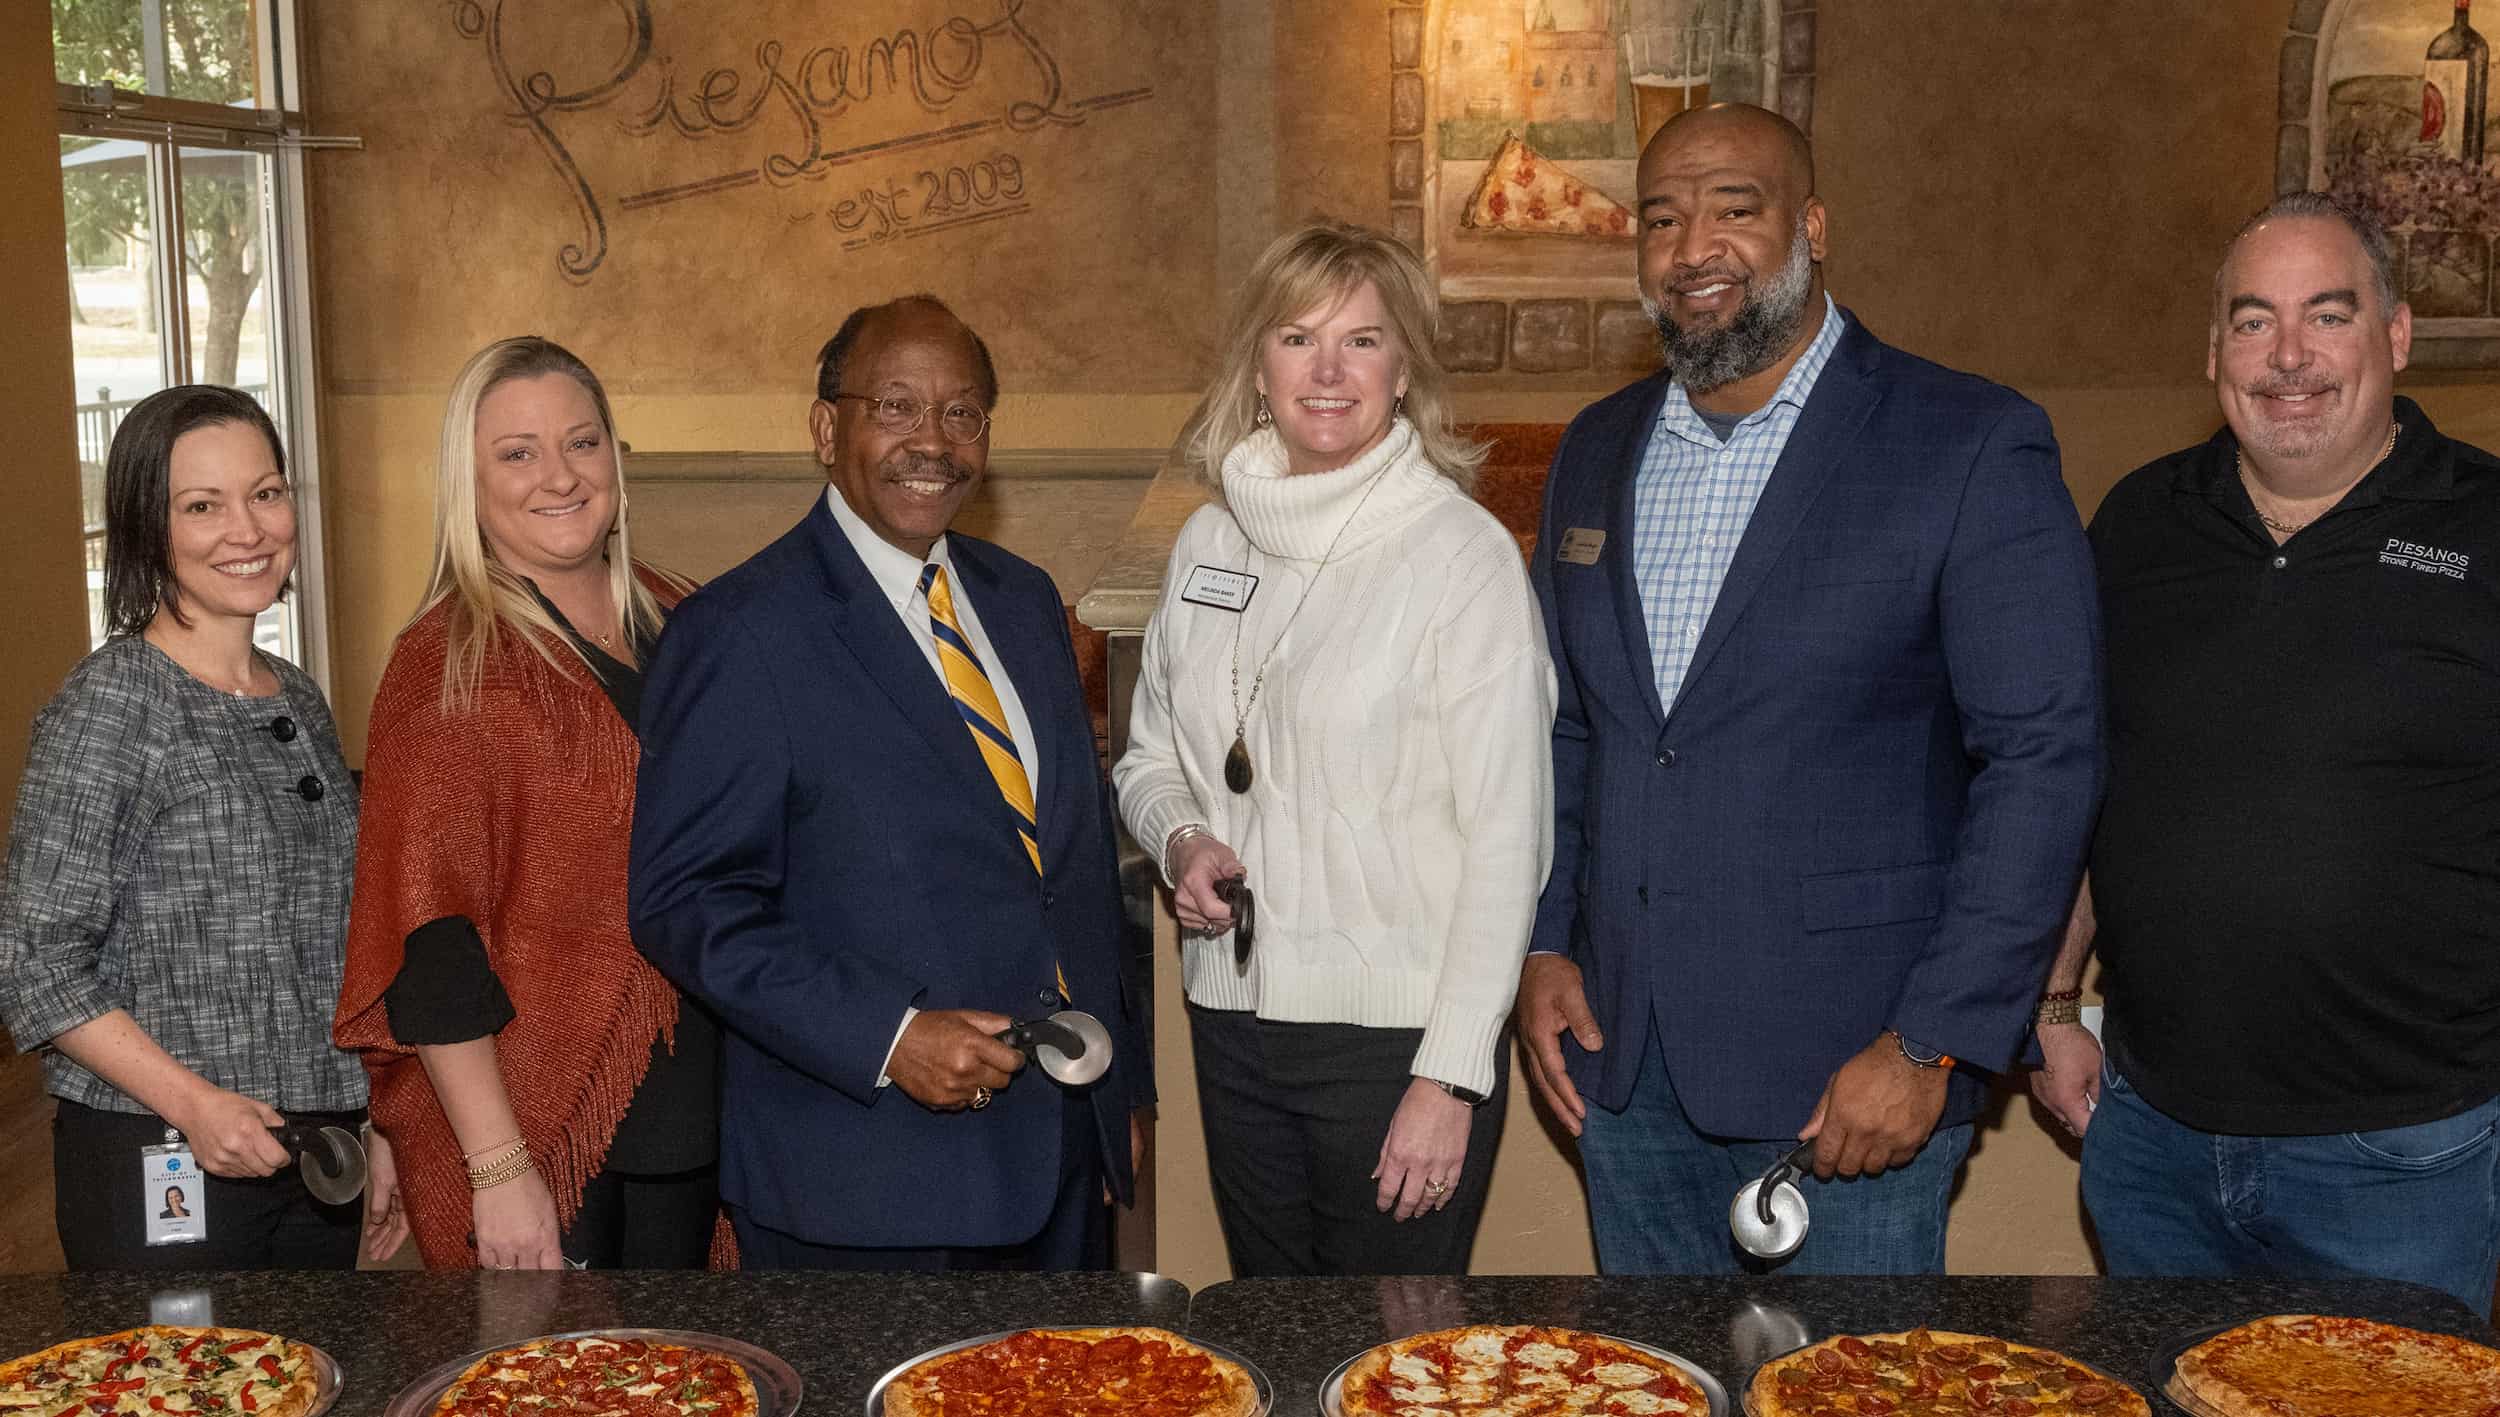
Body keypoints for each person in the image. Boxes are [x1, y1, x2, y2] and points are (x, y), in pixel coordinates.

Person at [1514, 103, 2103, 1274]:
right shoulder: (1593, 446)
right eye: (1663, 218)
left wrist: (1933, 1044)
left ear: (1813, 224)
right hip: (1626, 1071)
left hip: (1855, 1083)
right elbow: (1570, 729)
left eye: (1735, 208)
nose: (1694, 248)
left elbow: (2043, 760)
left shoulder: (1969, 441)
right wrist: (1541, 946)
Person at [2031, 193, 2500, 1315]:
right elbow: (2079, 781)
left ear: (2393, 337)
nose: (2288, 356)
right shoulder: (2139, 525)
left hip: (2405, 1157)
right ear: (2212, 353)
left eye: (2326, 316)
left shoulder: (2486, 526)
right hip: (2151, 1141)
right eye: (2252, 321)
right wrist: (2051, 1003)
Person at [629, 295, 1149, 1270]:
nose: (934, 441)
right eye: (898, 406)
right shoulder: (739, 633)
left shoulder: (1025, 600)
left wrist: (1115, 1098)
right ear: (828, 428)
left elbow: (1062, 868)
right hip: (864, 1185)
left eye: (963, 412)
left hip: (1056, 1161)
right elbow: (685, 901)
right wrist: (888, 1034)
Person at [1110, 221, 1556, 1275]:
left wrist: (1450, 1079)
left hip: (1395, 1047)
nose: (1325, 370)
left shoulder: (1461, 557)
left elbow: (1509, 840)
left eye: (1362, 340)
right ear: (1256, 370)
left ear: (1404, 372)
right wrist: (1181, 841)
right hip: (1231, 1016)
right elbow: (1146, 761)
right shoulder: (1209, 541)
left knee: (1389, 1361)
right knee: (1271, 1335)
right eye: (1295, 336)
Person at [334, 336, 719, 1270]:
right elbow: (432, 945)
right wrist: (499, 1167)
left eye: (582, 443)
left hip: (704, 1098)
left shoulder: (689, 621)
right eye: (517, 452)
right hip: (540, 1126)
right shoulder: (447, 665)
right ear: (468, 481)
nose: (559, 476)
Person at [0, 385, 403, 1269]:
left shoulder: (294, 693)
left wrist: (376, 1120)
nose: (247, 529)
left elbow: (334, 939)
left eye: (265, 493)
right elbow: (34, 961)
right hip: (162, 1156)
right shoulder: (111, 705)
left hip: (311, 1153)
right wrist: (193, 1102)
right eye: (202, 506)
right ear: (150, 528)